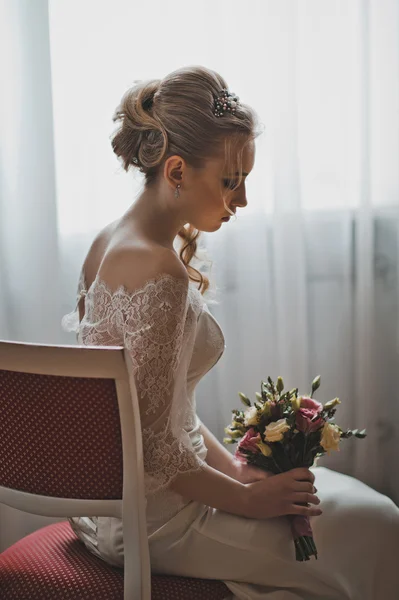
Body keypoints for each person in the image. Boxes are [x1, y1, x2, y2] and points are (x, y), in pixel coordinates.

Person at [62, 65, 399, 599]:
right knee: (379, 523)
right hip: (155, 522)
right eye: (229, 181)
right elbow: (153, 448)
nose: (240, 201)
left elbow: (159, 411)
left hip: (125, 504)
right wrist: (244, 500)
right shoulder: (158, 270)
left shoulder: (107, 242)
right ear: (176, 170)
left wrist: (239, 473)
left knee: (355, 506)